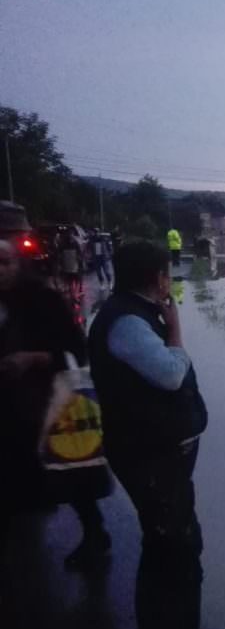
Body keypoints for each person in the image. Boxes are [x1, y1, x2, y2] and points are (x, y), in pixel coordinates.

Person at [88, 242, 225, 629]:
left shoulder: (131, 314)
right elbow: (170, 373)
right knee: (179, 552)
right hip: (150, 459)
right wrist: (177, 332)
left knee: (163, 547)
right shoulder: (128, 322)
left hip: (152, 455)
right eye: (167, 273)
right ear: (158, 278)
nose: (170, 280)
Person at [0, 237, 112, 571]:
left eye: (5, 263)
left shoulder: (43, 299)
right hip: (8, 411)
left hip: (47, 407)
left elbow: (75, 350)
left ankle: (95, 534)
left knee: (70, 475)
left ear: (18, 265)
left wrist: (33, 359)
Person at [58, 229, 83, 297]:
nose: (70, 236)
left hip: (74, 264)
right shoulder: (63, 243)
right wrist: (61, 262)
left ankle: (76, 291)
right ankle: (71, 291)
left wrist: (79, 259)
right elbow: (60, 253)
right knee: (69, 278)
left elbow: (79, 253)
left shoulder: (75, 243)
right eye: (69, 234)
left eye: (71, 234)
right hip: (67, 264)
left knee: (76, 277)